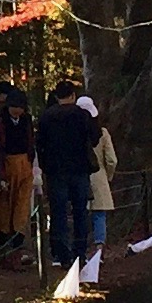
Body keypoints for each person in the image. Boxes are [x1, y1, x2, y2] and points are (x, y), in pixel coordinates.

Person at [34, 78, 100, 272]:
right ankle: (80, 252)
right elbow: (95, 138)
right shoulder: (82, 115)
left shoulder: (46, 117)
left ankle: (61, 254)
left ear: (56, 96)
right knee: (80, 211)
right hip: (79, 168)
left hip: (56, 171)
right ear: (73, 96)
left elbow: (40, 144)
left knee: (58, 212)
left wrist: (46, 166)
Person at [0, 81, 35, 263]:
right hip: (6, 165)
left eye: (20, 107)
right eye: (14, 107)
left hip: (25, 164)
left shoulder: (27, 121)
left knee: (21, 206)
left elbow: (31, 142)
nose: (17, 111)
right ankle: (1, 248)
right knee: (2, 208)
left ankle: (18, 246)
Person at [80, 93, 119, 260]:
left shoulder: (73, 133)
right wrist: (107, 176)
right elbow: (112, 160)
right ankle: (99, 248)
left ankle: (80, 248)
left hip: (79, 176)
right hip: (99, 175)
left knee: (80, 213)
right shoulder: (102, 133)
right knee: (99, 214)